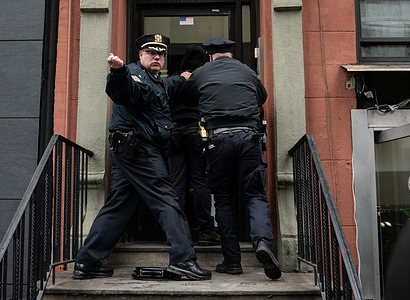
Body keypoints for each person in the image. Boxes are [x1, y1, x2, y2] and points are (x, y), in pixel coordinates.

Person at [73, 33, 212, 281]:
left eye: (161, 53)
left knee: (119, 205)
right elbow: (125, 90)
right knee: (167, 199)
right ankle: (183, 259)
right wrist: (117, 73)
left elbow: (166, 87)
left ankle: (86, 261)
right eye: (151, 52)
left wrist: (183, 77)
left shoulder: (156, 79)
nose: (157, 56)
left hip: (128, 151)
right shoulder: (133, 75)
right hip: (139, 149)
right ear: (140, 55)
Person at [181, 38, 281, 280]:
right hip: (249, 138)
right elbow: (262, 97)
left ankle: (233, 262)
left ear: (210, 56)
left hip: (218, 140)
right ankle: (262, 243)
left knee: (224, 200)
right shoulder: (247, 70)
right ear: (230, 54)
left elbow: (186, 98)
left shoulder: (202, 72)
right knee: (255, 193)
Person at [167, 44, 220, 246]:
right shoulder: (203, 79)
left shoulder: (175, 78)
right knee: (200, 181)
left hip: (174, 130)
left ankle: (177, 231)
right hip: (197, 130)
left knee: (176, 183)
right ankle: (206, 229)